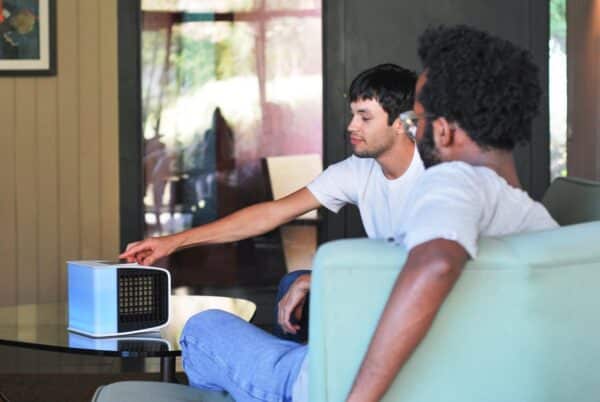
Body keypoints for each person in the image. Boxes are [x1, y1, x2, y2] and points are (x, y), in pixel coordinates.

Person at [176, 25, 559, 402]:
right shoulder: (534, 219)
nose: (415, 130)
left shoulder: (451, 182)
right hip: (455, 372)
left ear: (442, 130)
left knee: (202, 329)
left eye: (417, 121)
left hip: (342, 385)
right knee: (296, 288)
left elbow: (436, 263)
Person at [120, 63, 424, 342]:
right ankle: (304, 381)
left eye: (365, 117)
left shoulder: (437, 176)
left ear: (401, 123)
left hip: (418, 297)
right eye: (353, 114)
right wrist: (172, 243)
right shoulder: (357, 171)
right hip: (380, 289)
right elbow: (270, 213)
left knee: (291, 289)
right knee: (294, 284)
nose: (351, 126)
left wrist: (331, 277)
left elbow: (430, 264)